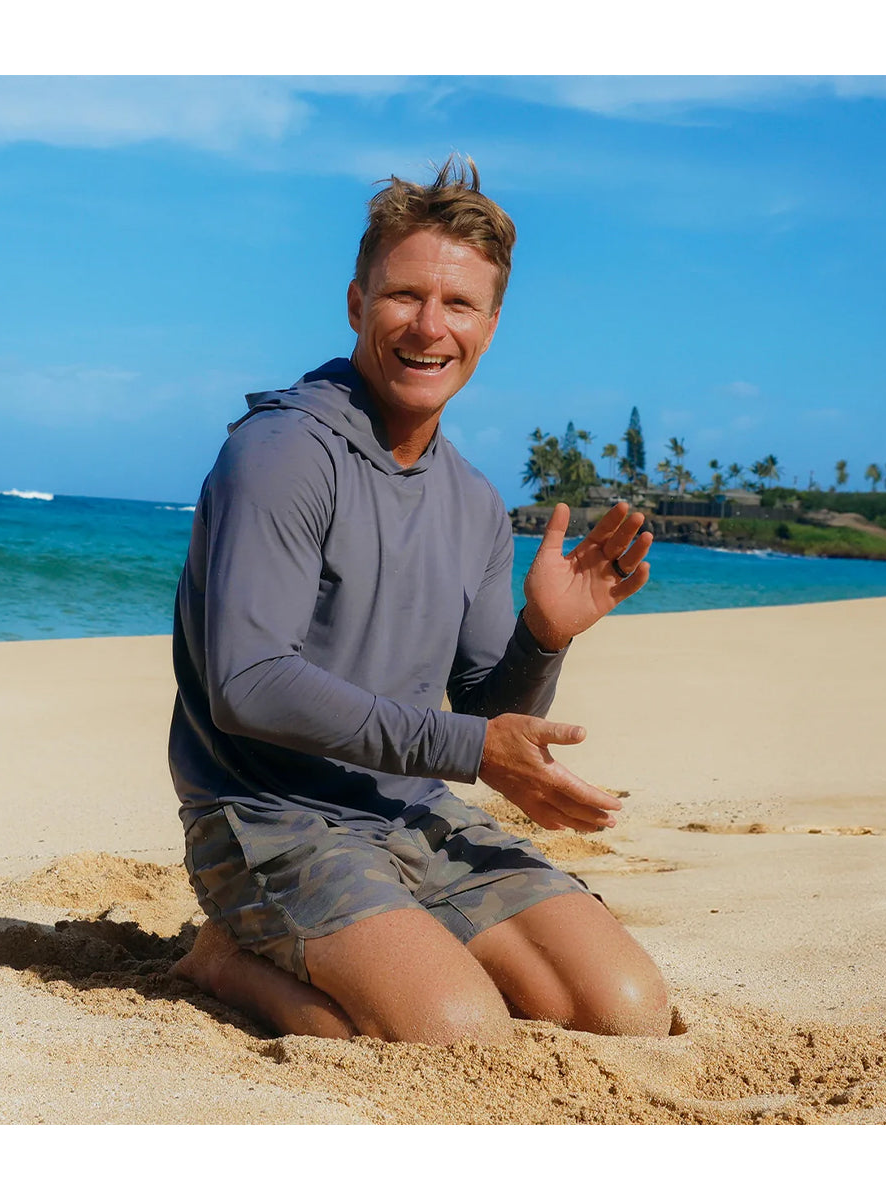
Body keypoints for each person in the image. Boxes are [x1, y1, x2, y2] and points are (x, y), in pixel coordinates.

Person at [168, 156, 670, 1044]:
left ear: (491, 325)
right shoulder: (283, 452)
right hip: (267, 817)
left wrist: (542, 637)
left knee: (625, 1012)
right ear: (357, 302)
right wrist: (472, 748)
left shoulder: (473, 502)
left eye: (459, 304)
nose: (429, 326)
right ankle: (225, 959)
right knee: (454, 1035)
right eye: (404, 295)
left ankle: (400, 948)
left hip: (412, 811)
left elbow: (482, 712)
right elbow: (249, 684)